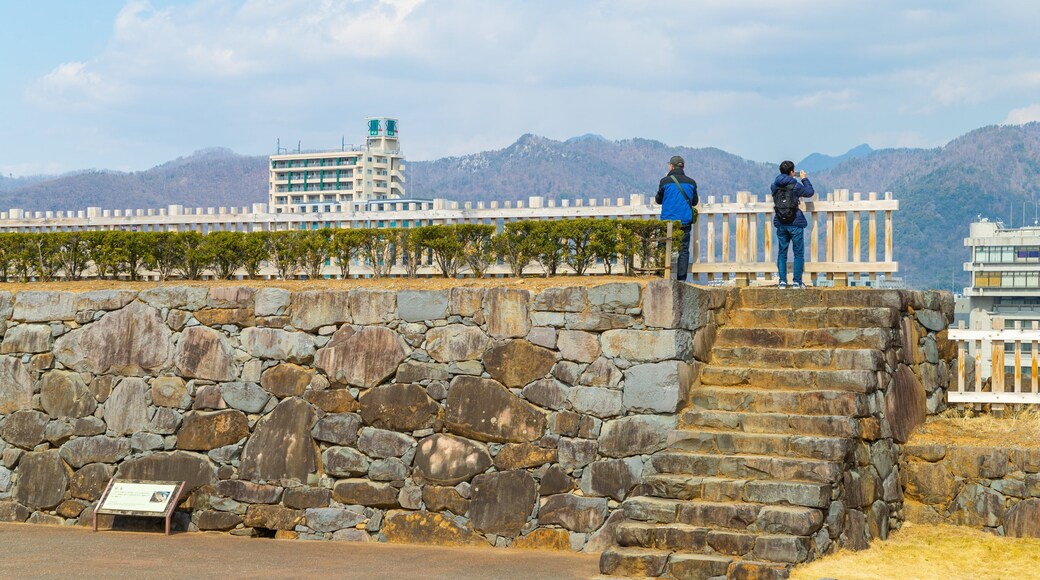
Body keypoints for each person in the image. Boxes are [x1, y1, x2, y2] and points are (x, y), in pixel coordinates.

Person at [771, 160, 815, 288]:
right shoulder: (795, 185)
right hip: (795, 222)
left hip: (781, 222)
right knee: (798, 253)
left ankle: (782, 282)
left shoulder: (774, 186)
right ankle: (797, 282)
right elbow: (810, 192)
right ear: (792, 172)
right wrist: (804, 179)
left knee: (782, 253)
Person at [655, 155, 698, 281]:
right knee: (683, 250)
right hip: (684, 221)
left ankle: (660, 274)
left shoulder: (665, 181)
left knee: (663, 247)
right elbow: (695, 202)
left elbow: (658, 200)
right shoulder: (691, 182)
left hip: (668, 221)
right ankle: (681, 279)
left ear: (671, 166)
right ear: (683, 167)